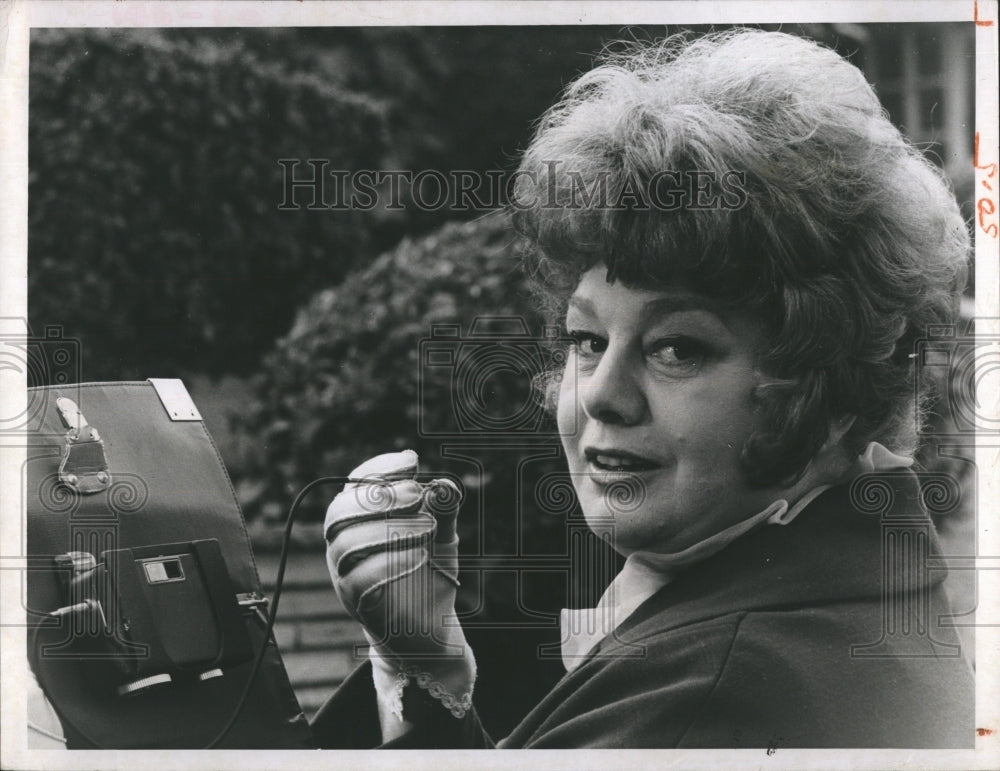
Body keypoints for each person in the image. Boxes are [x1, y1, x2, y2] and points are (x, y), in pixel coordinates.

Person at [311, 29, 973, 748]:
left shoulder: (714, 689)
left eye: (676, 348)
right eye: (586, 340)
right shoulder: (829, 600)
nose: (601, 394)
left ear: (830, 388)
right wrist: (424, 663)